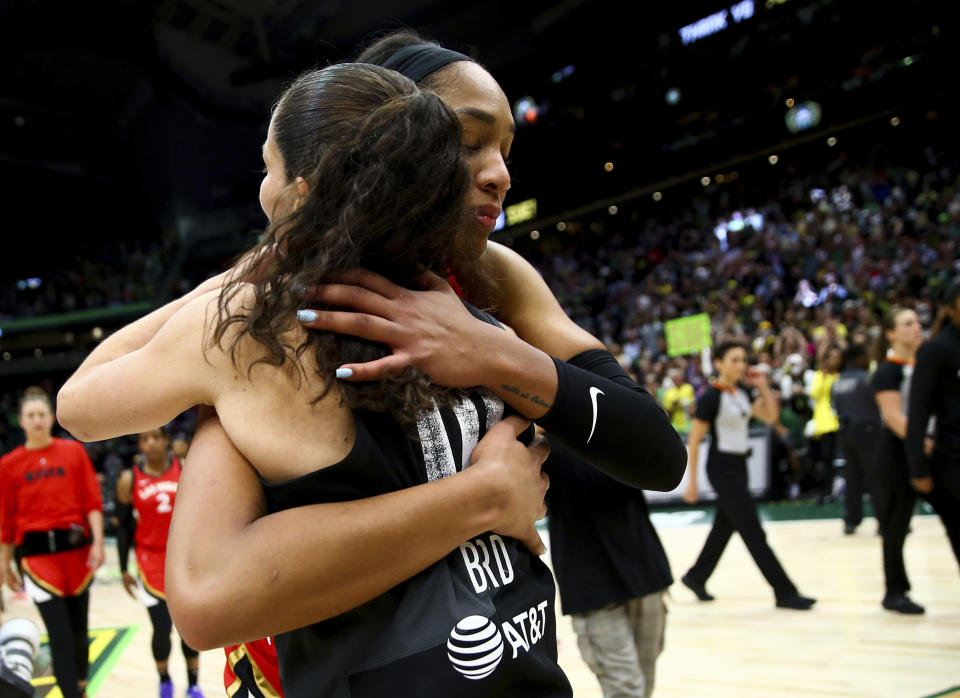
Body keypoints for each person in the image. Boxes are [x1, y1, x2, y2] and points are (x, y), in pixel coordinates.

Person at [58, 62, 572, 696]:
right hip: (513, 653)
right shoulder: (463, 302)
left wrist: (233, 281)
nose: (261, 191)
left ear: (300, 193)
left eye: (268, 170)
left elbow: (79, 404)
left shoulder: (245, 327)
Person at [681, 342, 816, 610]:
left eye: (743, 360)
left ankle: (696, 577)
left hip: (739, 465)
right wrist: (692, 483)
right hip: (722, 467)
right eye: (734, 360)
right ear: (718, 363)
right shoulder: (711, 397)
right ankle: (785, 591)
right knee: (753, 530)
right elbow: (695, 441)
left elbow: (769, 417)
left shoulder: (742, 391)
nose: (741, 365)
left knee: (724, 527)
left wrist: (762, 386)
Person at [0, 388, 104, 698]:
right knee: (59, 635)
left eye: (42, 414)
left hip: (78, 554)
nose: (37, 420)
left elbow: (92, 500)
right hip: (38, 561)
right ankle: (71, 692)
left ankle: (81, 687)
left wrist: (99, 542)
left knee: (79, 634)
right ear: (21, 421)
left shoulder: (73, 452)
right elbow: (6, 520)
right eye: (30, 415)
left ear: (51, 418)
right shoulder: (8, 465)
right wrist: (4, 564)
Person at [546, 441, 672, 698]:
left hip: (645, 570)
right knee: (625, 688)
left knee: (644, 681)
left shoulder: (617, 419)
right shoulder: (542, 435)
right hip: (590, 584)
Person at [115, 428, 204, 698]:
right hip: (149, 559)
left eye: (156, 437)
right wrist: (122, 567)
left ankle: (193, 683)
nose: (150, 443)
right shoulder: (129, 479)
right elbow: (123, 528)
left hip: (184, 557)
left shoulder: (186, 467)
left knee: (189, 625)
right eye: (144, 438)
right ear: (139, 445)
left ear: (166, 440)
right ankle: (164, 680)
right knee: (162, 627)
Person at [870, 306, 930, 613]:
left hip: (929, 450)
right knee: (896, 527)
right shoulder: (887, 370)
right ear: (891, 333)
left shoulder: (928, 364)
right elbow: (894, 418)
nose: (916, 327)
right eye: (907, 323)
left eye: (918, 322)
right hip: (897, 456)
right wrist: (927, 444)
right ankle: (894, 591)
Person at [905, 278, 960, 565]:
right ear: (950, 308)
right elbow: (918, 412)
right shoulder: (936, 350)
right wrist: (918, 466)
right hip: (953, 458)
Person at [831, 343, 881, 535]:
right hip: (868, 431)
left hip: (845, 433)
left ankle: (850, 521)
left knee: (852, 478)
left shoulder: (839, 381)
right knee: (876, 477)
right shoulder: (867, 379)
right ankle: (884, 520)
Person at [806, 345, 842, 501]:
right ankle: (823, 490)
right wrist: (824, 376)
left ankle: (831, 490)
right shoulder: (820, 375)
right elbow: (814, 393)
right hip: (823, 422)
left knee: (834, 459)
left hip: (838, 422)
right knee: (823, 458)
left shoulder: (839, 376)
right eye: (832, 357)